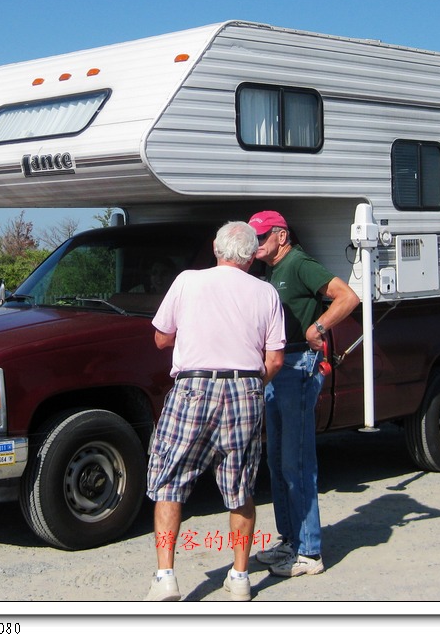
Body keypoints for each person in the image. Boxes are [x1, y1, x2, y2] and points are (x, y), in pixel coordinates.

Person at [144, 221, 286, 603]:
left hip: (194, 386)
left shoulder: (189, 280)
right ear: (252, 255)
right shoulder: (266, 292)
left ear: (215, 248)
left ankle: (166, 577)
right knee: (240, 486)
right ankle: (240, 577)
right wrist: (253, 383)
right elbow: (274, 358)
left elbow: (160, 338)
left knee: (170, 479)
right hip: (245, 388)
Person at [247, 209, 360, 578]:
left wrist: (319, 325)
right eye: (254, 238)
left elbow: (347, 297)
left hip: (298, 367)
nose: (257, 243)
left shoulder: (298, 264)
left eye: (262, 236)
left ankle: (309, 552)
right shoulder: (271, 270)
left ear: (281, 235)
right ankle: (290, 540)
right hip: (279, 367)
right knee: (277, 460)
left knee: (297, 462)